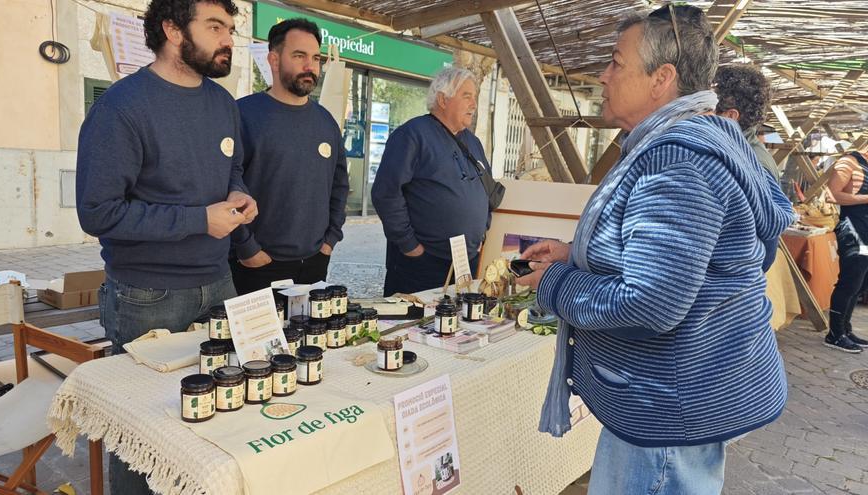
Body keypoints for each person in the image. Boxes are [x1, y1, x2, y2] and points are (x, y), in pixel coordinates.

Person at [516, 5, 794, 494]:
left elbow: (652, 300)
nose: (603, 75)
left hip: (667, 409)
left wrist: (556, 284)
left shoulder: (677, 157)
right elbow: (666, 260)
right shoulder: (689, 142)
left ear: (661, 78)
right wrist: (575, 254)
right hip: (675, 398)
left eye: (617, 63)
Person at [75, 0, 255, 492]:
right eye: (215, 27)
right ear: (173, 30)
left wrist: (238, 195)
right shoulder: (122, 107)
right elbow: (98, 213)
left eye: (231, 29)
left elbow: (230, 171)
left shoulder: (222, 104)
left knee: (210, 421)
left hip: (218, 284)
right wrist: (199, 219)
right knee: (141, 439)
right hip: (145, 298)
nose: (228, 40)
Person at [230, 18, 348, 292]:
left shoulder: (326, 121)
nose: (310, 66)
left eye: (316, 58)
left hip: (315, 263)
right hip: (257, 266)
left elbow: (339, 186)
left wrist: (330, 240)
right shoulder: (241, 115)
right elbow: (224, 185)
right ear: (273, 59)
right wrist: (247, 249)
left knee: (314, 335)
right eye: (299, 56)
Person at [372, 67, 491, 296]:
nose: (474, 105)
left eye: (475, 97)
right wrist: (410, 246)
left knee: (457, 327)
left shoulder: (473, 143)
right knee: (414, 328)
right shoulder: (412, 135)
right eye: (467, 96)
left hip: (465, 263)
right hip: (421, 264)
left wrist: (482, 231)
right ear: (442, 99)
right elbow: (386, 194)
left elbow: (487, 189)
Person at [826, 146, 868, 352]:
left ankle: (846, 329)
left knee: (859, 283)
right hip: (852, 230)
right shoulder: (849, 162)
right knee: (849, 282)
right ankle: (834, 334)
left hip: (866, 232)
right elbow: (831, 194)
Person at [714, 63, 779, 181]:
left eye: (710, 109)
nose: (706, 116)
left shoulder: (751, 164)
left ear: (730, 116)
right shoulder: (747, 153)